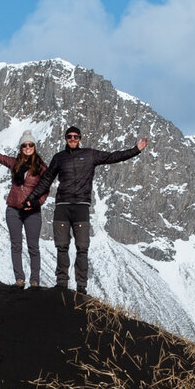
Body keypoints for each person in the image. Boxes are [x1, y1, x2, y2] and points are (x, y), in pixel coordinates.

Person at [39, 124, 148, 295]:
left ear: (80, 139)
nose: (73, 139)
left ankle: (81, 287)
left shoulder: (90, 154)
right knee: (62, 247)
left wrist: (136, 150)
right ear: (65, 139)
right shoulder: (59, 158)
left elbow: (113, 157)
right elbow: (46, 180)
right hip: (62, 207)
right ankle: (61, 284)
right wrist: (31, 198)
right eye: (69, 137)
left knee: (82, 248)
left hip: (81, 207)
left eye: (76, 136)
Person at [0, 134, 50, 287]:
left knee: (33, 247)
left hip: (32, 212)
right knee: (16, 245)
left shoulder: (41, 168)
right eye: (24, 145)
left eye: (30, 145)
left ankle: (35, 281)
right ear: (20, 148)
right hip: (13, 209)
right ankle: (19, 279)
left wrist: (36, 202)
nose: (27, 148)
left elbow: (46, 190)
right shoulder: (15, 164)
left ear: (34, 147)